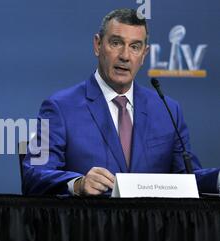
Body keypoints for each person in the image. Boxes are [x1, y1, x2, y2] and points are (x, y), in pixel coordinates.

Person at [22, 8, 220, 196]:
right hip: (90, 227)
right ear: (98, 45)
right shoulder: (59, 108)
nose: (125, 56)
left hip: (153, 228)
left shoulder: (167, 110)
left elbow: (187, 178)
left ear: (144, 54)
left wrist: (217, 179)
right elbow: (34, 174)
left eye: (135, 47)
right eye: (116, 43)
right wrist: (77, 184)